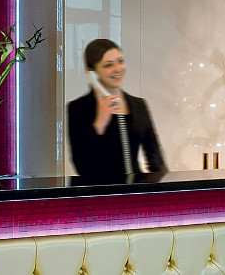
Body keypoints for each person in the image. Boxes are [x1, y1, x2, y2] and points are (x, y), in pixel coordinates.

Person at [67, 38, 167, 181]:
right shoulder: (78, 109)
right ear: (92, 72)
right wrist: (99, 124)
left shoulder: (138, 105)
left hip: (135, 190)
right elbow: (82, 166)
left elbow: (155, 158)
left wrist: (159, 189)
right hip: (100, 192)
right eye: (108, 65)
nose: (117, 69)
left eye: (120, 61)